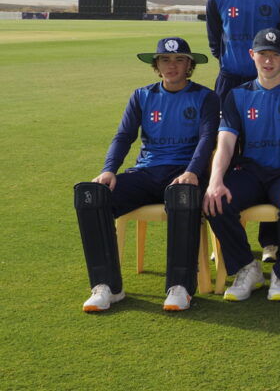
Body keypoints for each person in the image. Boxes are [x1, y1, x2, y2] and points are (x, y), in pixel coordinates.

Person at [73, 37, 218, 312]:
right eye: (165, 59)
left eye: (179, 60)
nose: (172, 65)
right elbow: (123, 136)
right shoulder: (142, 96)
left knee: (183, 196)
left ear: (189, 65)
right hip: (146, 171)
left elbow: (207, 139)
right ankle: (107, 287)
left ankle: (181, 287)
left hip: (182, 174)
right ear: (156, 65)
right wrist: (108, 170)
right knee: (91, 196)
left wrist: (192, 172)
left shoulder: (205, 96)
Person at [206, 0, 280, 262]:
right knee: (227, 154)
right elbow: (216, 43)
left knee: (272, 155)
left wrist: (268, 75)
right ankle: (227, 239)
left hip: (271, 84)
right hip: (231, 83)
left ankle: (271, 242)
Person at [203, 28, 280, 302]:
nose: (269, 61)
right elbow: (226, 144)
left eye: (275, 55)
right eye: (263, 54)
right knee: (215, 201)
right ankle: (247, 268)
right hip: (251, 170)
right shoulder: (236, 95)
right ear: (251, 55)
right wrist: (215, 181)